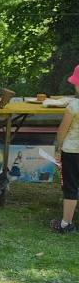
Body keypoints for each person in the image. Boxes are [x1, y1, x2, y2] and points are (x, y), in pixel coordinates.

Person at [51, 65, 79, 234]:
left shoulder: (73, 106)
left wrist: (58, 148)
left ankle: (66, 224)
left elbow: (62, 131)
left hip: (72, 153)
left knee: (71, 187)